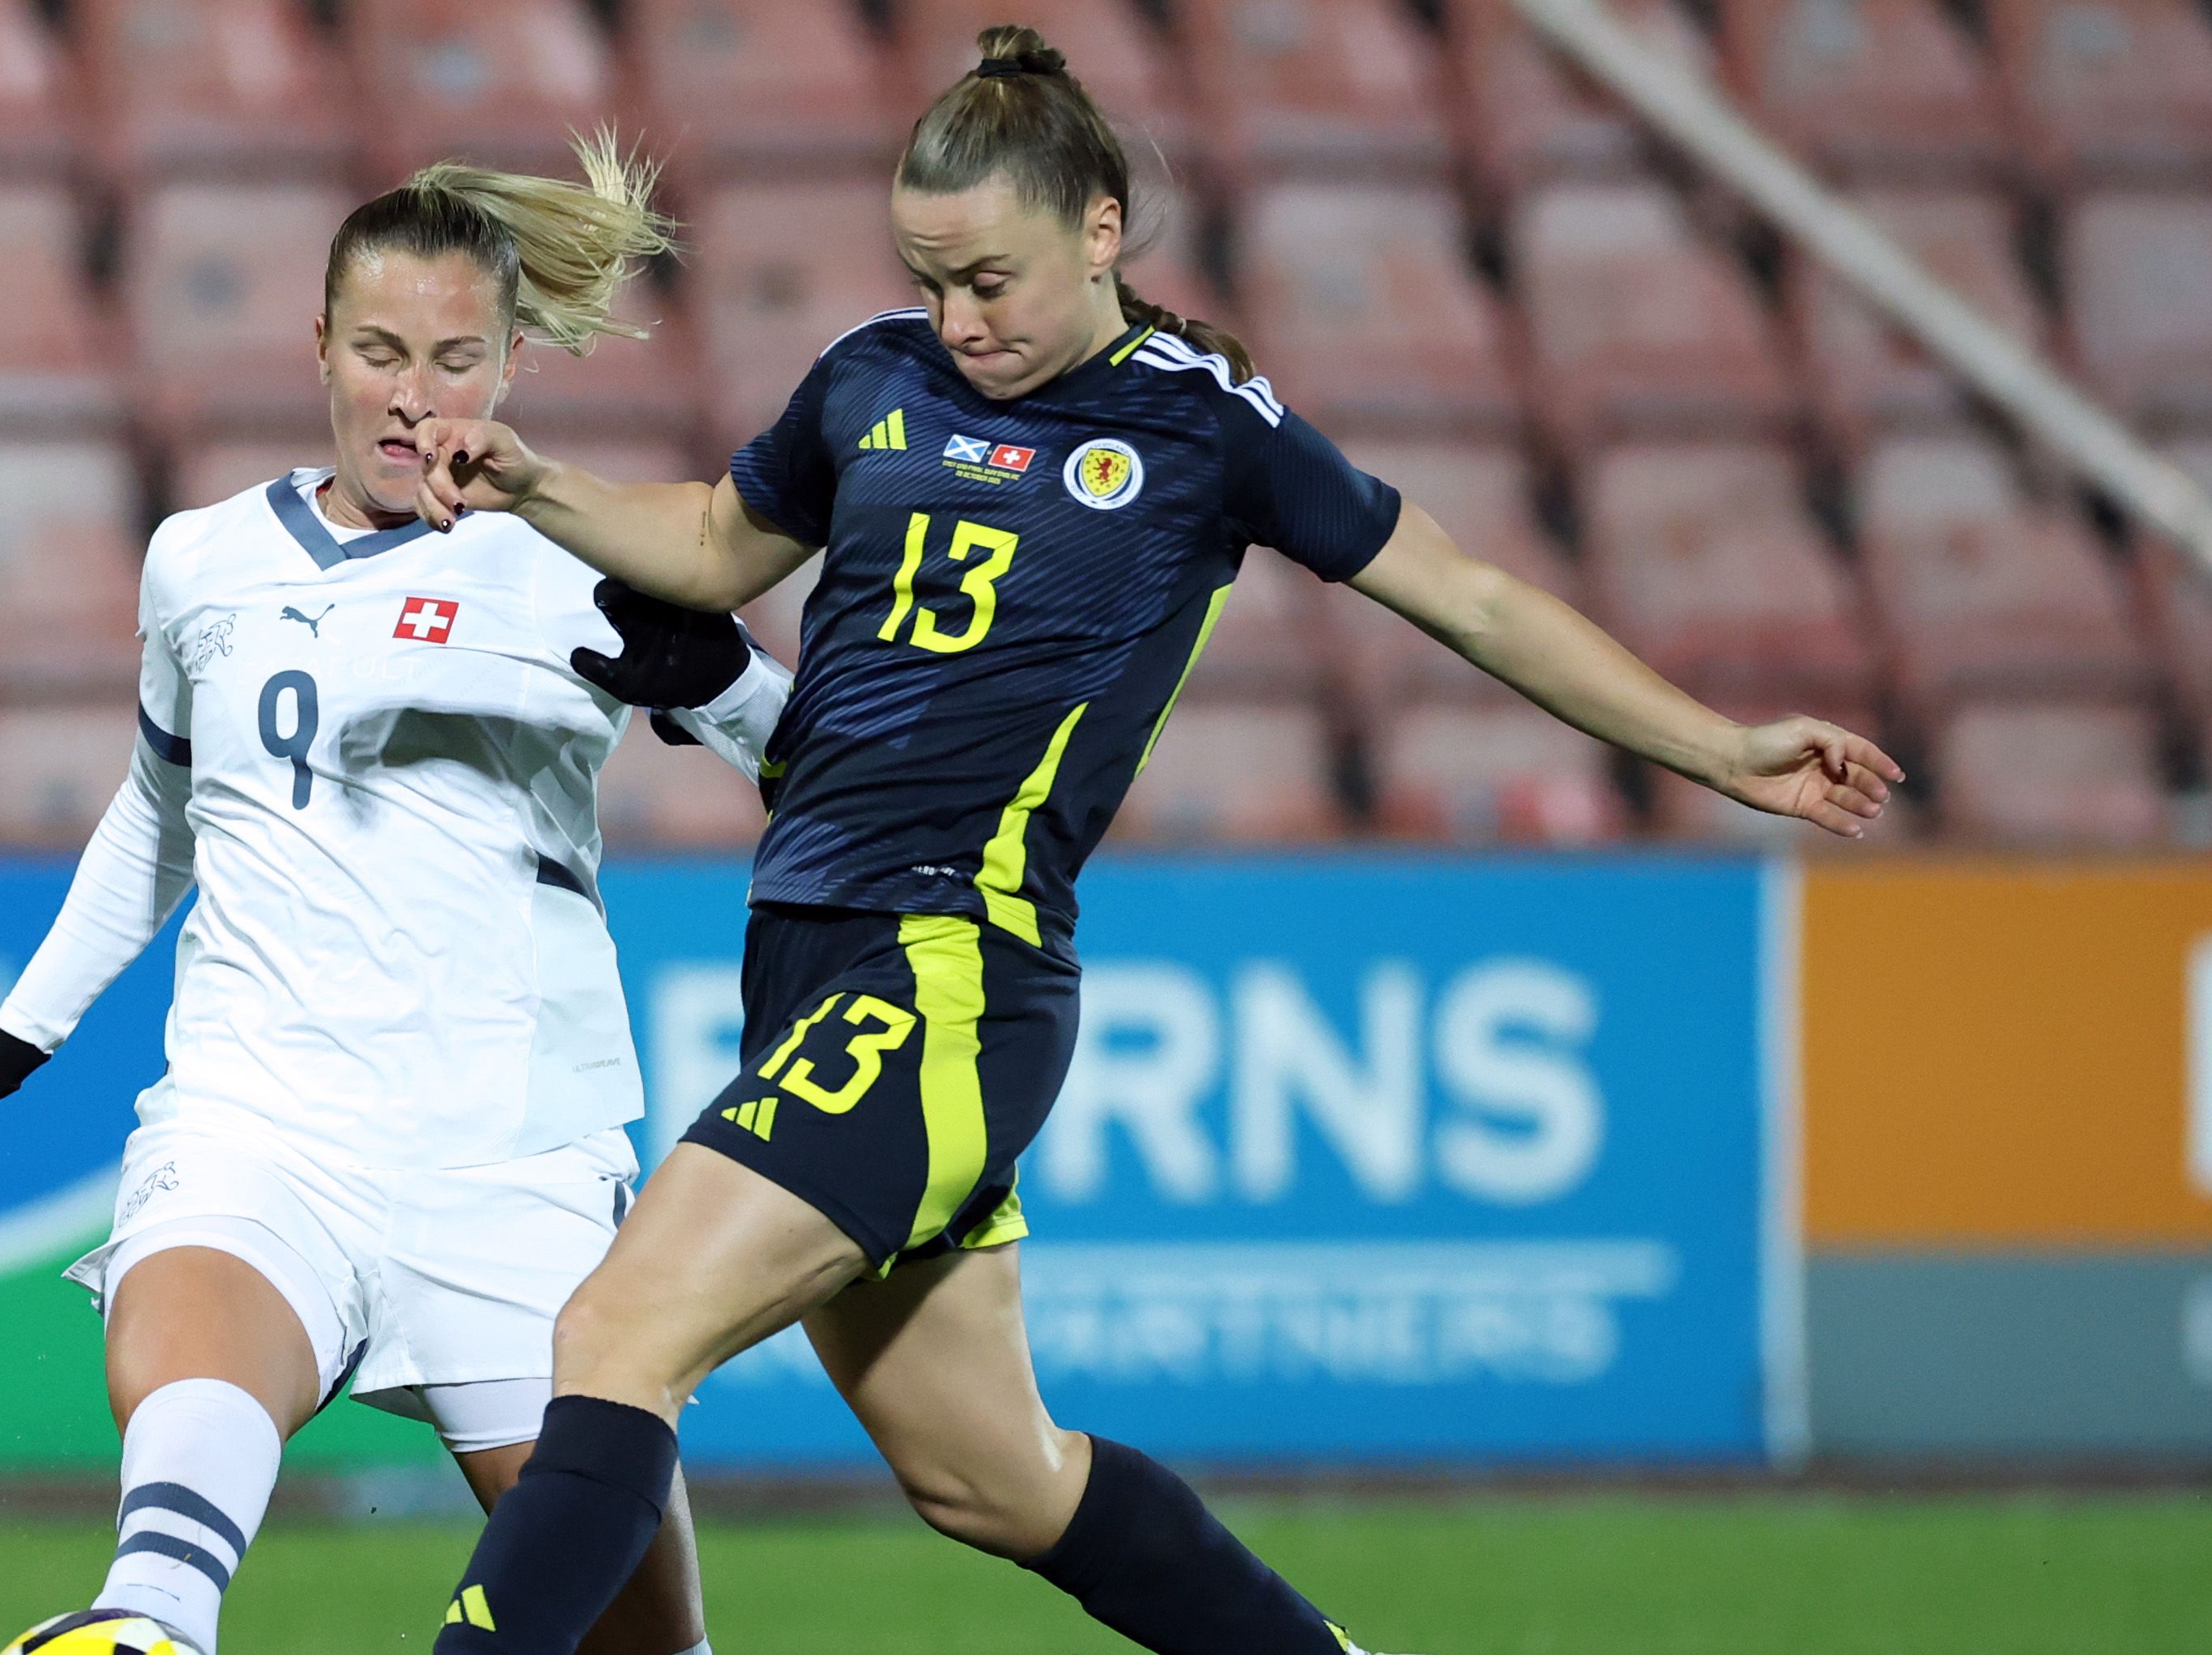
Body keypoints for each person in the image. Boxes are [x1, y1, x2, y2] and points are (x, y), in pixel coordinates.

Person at [401, 28, 1904, 1655]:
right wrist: (539, 484)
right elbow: (707, 541)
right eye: (930, 277)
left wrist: (1713, 745)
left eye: (990, 278)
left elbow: (1464, 594)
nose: (958, 317)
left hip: (946, 972)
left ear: (1099, 227)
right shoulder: (867, 376)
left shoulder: (1199, 427)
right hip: (812, 960)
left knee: (619, 1333)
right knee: (994, 1481)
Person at [0, 136, 785, 1655]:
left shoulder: (584, 562)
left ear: (512, 368)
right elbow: (163, 806)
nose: (415, 397)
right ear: (321, 349)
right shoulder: (201, 562)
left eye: (457, 358)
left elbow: (826, 766)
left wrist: (732, 681)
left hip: (508, 1152)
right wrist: (13, 1043)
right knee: (193, 1358)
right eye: (380, 351)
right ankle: (144, 1624)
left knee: (642, 1641)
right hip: (263, 1109)